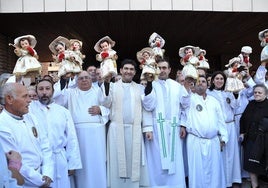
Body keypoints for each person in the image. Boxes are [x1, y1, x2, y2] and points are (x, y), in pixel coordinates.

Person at [53, 70, 109, 188]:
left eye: (87, 78)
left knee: (96, 162)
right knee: (80, 162)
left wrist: (100, 110)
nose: (84, 80)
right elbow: (57, 100)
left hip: (96, 134)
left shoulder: (99, 91)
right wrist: (63, 79)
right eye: (81, 78)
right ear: (76, 81)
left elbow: (109, 106)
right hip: (77, 134)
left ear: (91, 79)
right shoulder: (70, 92)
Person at [101, 59, 152, 188]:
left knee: (133, 161)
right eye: (126, 69)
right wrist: (106, 84)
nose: (128, 71)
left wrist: (148, 128)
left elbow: (146, 109)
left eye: (131, 69)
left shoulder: (140, 88)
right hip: (116, 130)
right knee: (116, 161)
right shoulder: (112, 86)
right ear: (121, 70)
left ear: (135, 72)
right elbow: (105, 103)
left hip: (134, 129)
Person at [143, 58, 190, 187]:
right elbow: (147, 106)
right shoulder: (151, 84)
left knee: (174, 160)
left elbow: (185, 105)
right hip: (157, 128)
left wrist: (183, 125)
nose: (162, 70)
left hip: (174, 127)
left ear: (170, 70)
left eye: (165, 68)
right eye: (160, 68)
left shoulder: (176, 85)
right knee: (157, 161)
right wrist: (148, 129)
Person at [29, 79, 82, 188]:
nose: (44, 92)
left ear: (53, 91)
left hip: (59, 158)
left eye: (47, 89)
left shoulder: (63, 112)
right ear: (36, 92)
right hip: (38, 159)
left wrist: (72, 163)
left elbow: (72, 138)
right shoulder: (29, 110)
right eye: (41, 89)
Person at [0, 83, 54, 188]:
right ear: (10, 99)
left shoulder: (31, 117)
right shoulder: (2, 124)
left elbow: (45, 146)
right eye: (25, 96)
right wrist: (40, 181)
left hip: (44, 176)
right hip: (23, 182)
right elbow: (15, 162)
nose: (29, 100)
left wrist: (48, 173)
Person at [185, 75, 228, 188]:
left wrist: (224, 137)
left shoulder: (214, 101)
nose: (200, 83)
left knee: (215, 170)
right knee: (197, 171)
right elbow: (184, 96)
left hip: (213, 141)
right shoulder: (190, 98)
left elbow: (220, 120)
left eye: (203, 81)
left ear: (208, 85)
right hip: (195, 140)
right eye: (198, 81)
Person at [207, 71, 242, 187]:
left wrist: (236, 95)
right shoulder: (208, 93)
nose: (219, 81)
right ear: (212, 80)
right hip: (217, 127)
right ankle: (220, 180)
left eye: (221, 79)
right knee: (219, 153)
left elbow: (236, 106)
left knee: (231, 153)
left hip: (230, 125)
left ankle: (232, 179)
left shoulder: (228, 92)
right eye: (217, 78)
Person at [240, 84, 268, 188]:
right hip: (251, 140)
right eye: (255, 92)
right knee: (251, 164)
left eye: (259, 92)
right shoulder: (251, 104)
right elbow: (243, 119)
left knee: (264, 164)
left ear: (265, 94)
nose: (256, 94)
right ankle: (254, 186)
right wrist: (242, 132)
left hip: (265, 141)